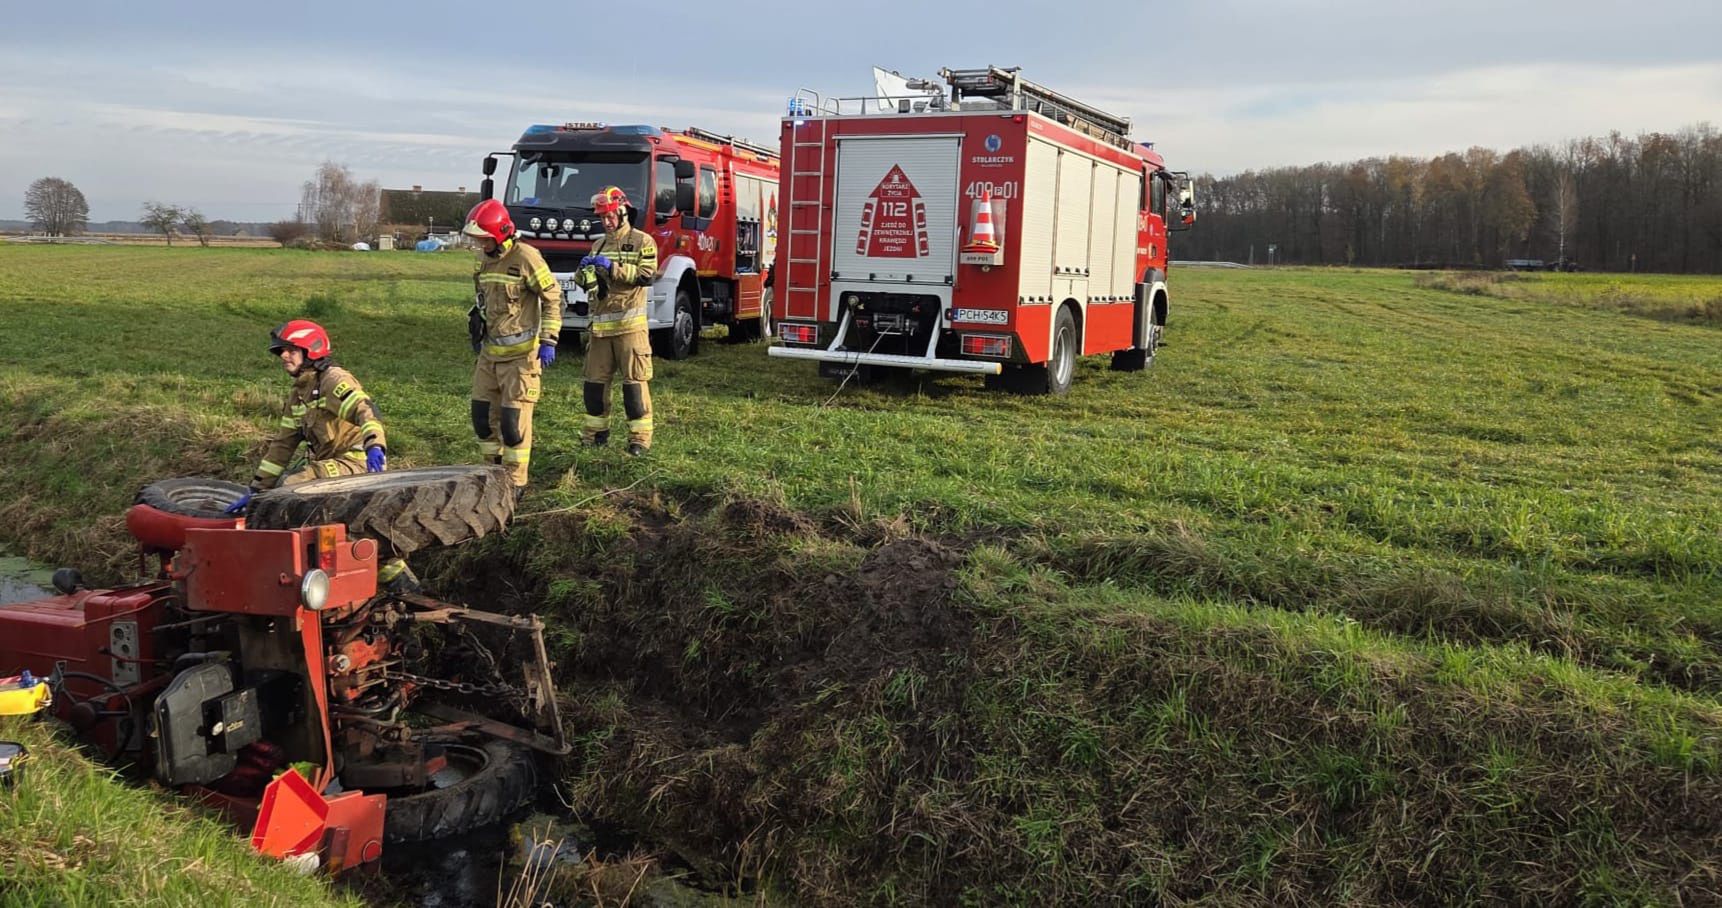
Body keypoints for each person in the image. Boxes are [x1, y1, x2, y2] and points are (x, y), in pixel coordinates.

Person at [225, 320, 415, 591]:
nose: (283, 356)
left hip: (356, 463)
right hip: (329, 465)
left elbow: (366, 412)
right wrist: (256, 490)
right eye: (280, 351)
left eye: (290, 350)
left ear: (310, 350)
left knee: (291, 488)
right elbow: (281, 447)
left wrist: (375, 446)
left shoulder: (334, 381)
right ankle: (389, 583)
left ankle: (296, 573)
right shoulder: (298, 395)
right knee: (346, 530)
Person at [462, 198, 562, 493]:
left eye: (484, 238)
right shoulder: (486, 260)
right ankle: (492, 473)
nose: (480, 244)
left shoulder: (527, 257)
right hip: (489, 356)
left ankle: (516, 482)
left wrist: (549, 339)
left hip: (521, 359)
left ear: (500, 233)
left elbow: (553, 298)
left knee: (513, 425)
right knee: (482, 417)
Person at [574, 186, 658, 456]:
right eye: (602, 218)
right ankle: (595, 435)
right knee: (594, 386)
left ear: (623, 212)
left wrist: (613, 268)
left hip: (630, 328)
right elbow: (590, 284)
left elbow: (647, 275)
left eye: (610, 216)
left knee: (634, 386)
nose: (606, 222)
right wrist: (583, 273)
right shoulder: (598, 244)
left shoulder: (643, 241)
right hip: (599, 330)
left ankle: (639, 440)